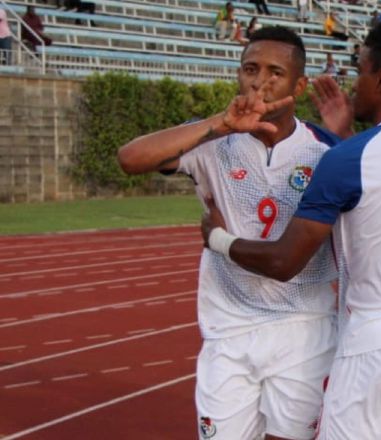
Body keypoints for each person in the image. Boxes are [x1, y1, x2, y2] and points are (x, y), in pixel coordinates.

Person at [201, 22, 381, 439]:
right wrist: (345, 133)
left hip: (376, 342)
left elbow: (283, 260)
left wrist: (217, 239)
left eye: (361, 71)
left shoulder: (347, 159)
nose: (353, 83)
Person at [117, 27, 341, 440]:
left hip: (305, 327)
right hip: (228, 328)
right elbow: (130, 159)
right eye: (250, 69)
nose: (260, 81)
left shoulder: (324, 150)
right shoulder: (212, 139)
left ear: (300, 84)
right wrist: (219, 124)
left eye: (276, 72)